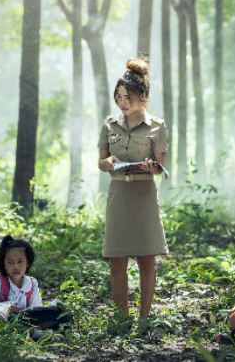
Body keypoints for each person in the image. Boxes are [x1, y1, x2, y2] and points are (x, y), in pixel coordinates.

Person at [97, 57, 169, 320]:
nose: (122, 102)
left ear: (143, 95)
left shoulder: (157, 126)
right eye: (119, 97)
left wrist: (153, 168)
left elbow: (161, 167)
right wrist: (108, 162)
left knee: (146, 258)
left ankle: (144, 318)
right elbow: (101, 162)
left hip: (144, 195)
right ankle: (122, 318)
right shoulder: (109, 124)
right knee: (117, 258)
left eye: (128, 97)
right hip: (118, 194)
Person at [0, 235, 42, 310]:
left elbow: (37, 309)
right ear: (3, 264)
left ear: (28, 262)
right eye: (10, 262)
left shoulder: (32, 283)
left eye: (20, 261)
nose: (16, 267)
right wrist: (11, 310)